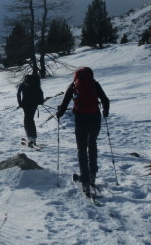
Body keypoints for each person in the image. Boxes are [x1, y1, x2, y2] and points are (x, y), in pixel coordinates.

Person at [56, 67, 110, 196]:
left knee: (81, 148)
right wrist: (105, 112)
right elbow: (105, 100)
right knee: (92, 144)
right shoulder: (94, 84)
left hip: (81, 119)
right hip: (95, 118)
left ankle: (84, 179)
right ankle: (93, 175)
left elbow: (65, 102)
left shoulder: (75, 85)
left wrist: (60, 113)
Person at [17, 74, 44, 148]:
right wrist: (41, 101)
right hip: (34, 104)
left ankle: (30, 138)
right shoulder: (36, 83)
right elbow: (41, 92)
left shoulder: (23, 84)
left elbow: (18, 93)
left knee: (27, 120)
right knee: (31, 119)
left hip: (26, 104)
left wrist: (20, 103)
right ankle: (34, 137)